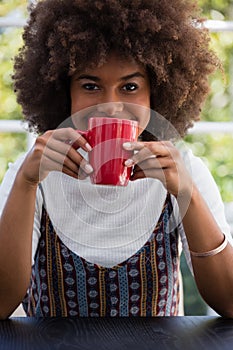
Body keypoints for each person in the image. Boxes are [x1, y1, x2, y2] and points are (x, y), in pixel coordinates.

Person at [0, 0, 233, 319]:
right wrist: (26, 184)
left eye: (130, 87)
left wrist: (186, 192)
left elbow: (229, 302)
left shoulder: (182, 169)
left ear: (157, 93)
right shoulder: (34, 173)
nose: (110, 105)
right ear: (64, 93)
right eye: (90, 86)